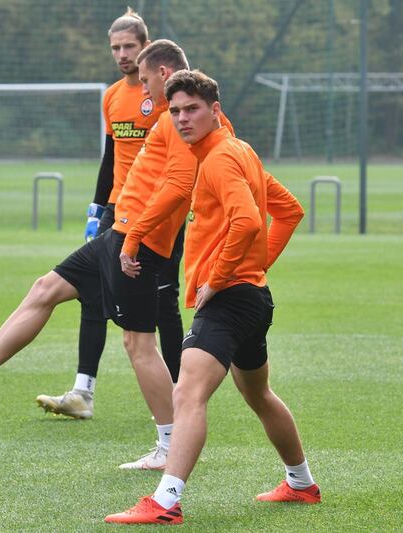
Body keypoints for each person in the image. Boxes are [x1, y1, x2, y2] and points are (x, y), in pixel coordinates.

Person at [0, 44, 206, 472]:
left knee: (138, 344)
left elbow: (180, 187)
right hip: (117, 235)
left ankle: (169, 445)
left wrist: (134, 237)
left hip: (136, 246)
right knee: (46, 287)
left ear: (163, 73)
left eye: (145, 81)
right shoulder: (169, 118)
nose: (142, 88)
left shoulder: (181, 122)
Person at [105, 70, 318, 525]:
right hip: (252, 297)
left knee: (187, 393)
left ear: (215, 110)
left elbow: (247, 223)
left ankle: (165, 502)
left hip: (230, 300)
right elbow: (289, 210)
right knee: (259, 395)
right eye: (176, 110)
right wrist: (253, 269)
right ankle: (301, 483)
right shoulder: (238, 150)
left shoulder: (220, 159)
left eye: (192, 109)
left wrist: (222, 278)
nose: (182, 119)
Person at [35, 9, 180, 421]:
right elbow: (110, 154)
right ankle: (83, 390)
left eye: (129, 46)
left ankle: (180, 390)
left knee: (164, 301)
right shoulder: (113, 95)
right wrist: (97, 209)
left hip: (156, 213)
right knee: (90, 292)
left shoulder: (166, 95)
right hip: (118, 209)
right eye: (115, 47)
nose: (121, 54)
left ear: (145, 46)